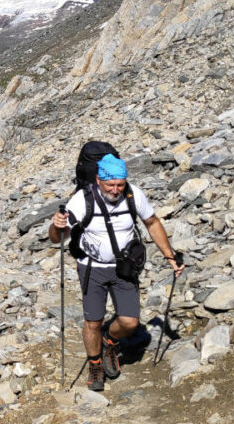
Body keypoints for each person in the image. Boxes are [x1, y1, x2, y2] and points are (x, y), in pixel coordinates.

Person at [49, 154, 184, 390]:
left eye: (120, 184)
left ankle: (109, 341)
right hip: (92, 268)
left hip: (125, 267)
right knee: (93, 321)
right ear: (99, 179)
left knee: (130, 322)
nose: (115, 190)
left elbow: (152, 223)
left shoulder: (133, 194)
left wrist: (170, 257)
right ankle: (95, 364)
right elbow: (57, 238)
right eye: (110, 184)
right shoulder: (83, 199)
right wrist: (56, 225)